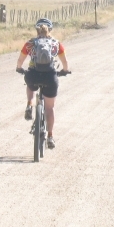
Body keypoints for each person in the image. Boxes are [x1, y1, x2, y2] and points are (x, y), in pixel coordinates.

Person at [15, 18, 69, 149]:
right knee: (49, 109)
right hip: (50, 77)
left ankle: (29, 104)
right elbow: (65, 64)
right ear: (50, 30)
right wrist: (64, 71)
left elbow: (20, 61)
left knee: (30, 84)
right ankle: (50, 136)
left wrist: (19, 68)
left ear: (36, 30)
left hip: (33, 75)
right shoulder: (56, 44)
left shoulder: (30, 44)